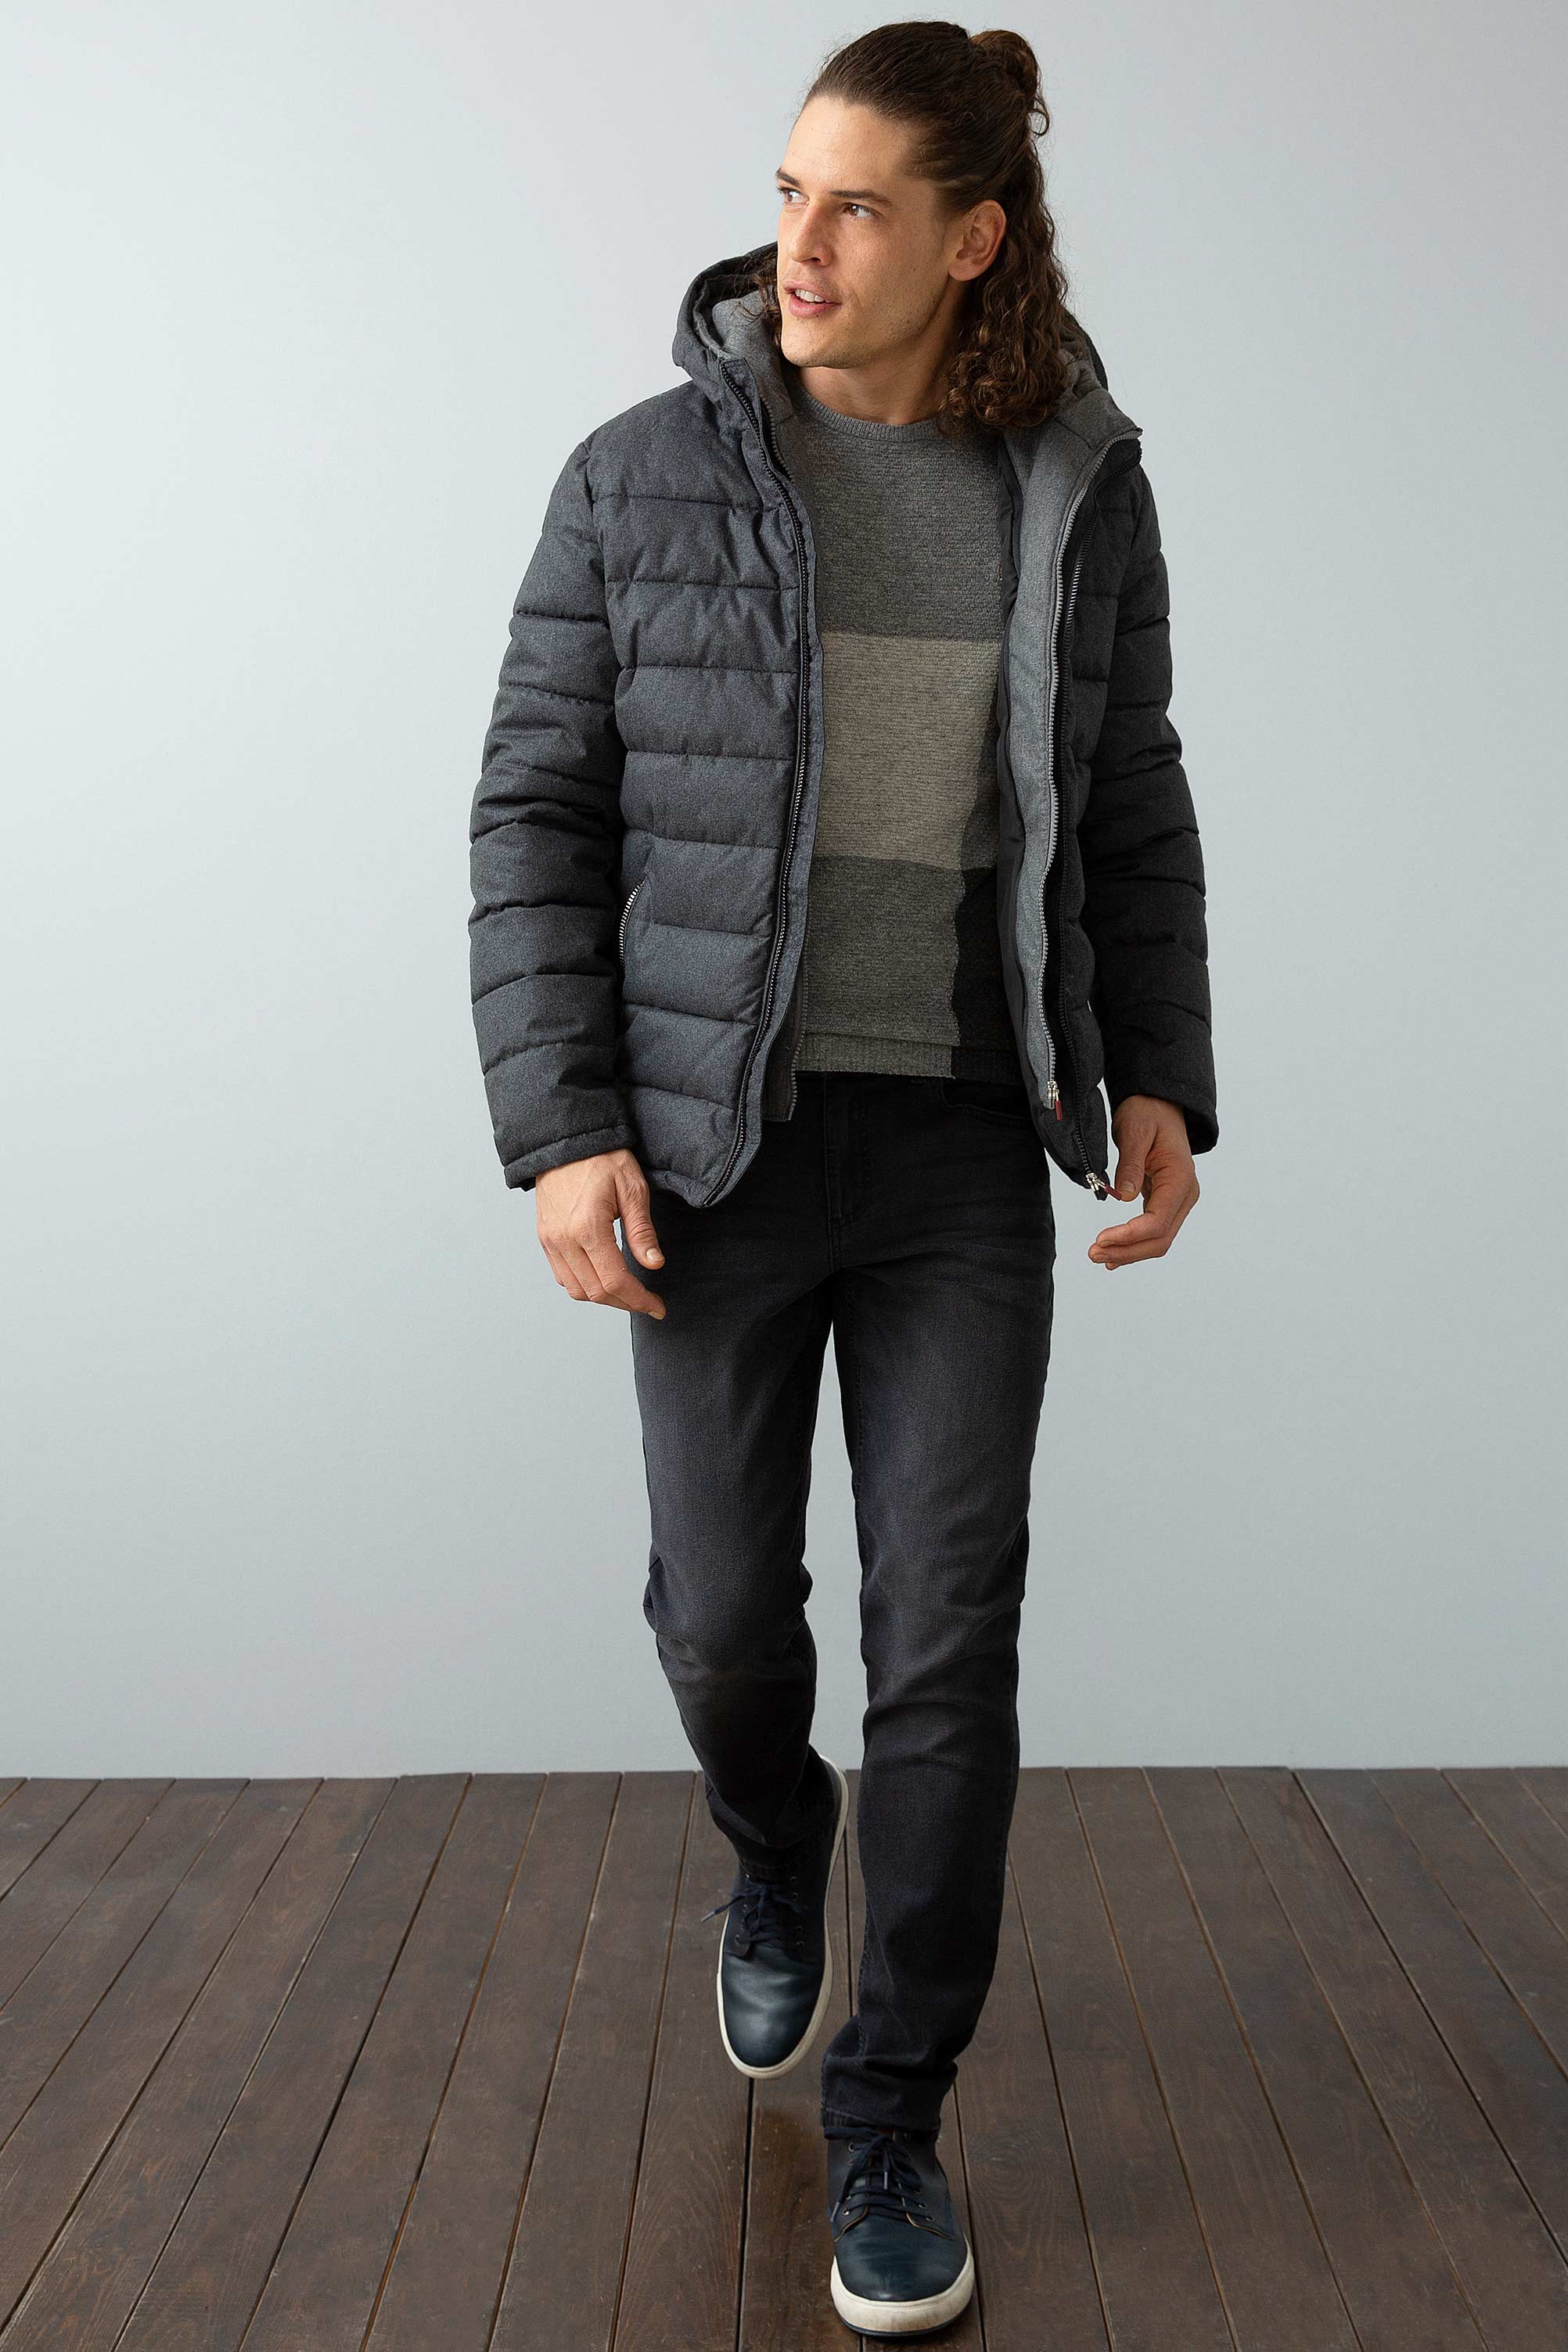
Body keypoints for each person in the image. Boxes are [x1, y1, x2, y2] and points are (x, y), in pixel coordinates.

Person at [468, 20, 1217, 2337]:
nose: (798, 244)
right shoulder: (638, 479)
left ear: (970, 239)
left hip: (962, 1149)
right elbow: (537, 815)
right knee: (723, 1622)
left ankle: (891, 2123)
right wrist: (563, 1129)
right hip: (718, 1144)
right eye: (789, 189)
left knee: (950, 1644)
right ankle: (772, 1841)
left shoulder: (1073, 486)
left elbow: (1127, 792)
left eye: (860, 204)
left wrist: (1165, 1072)